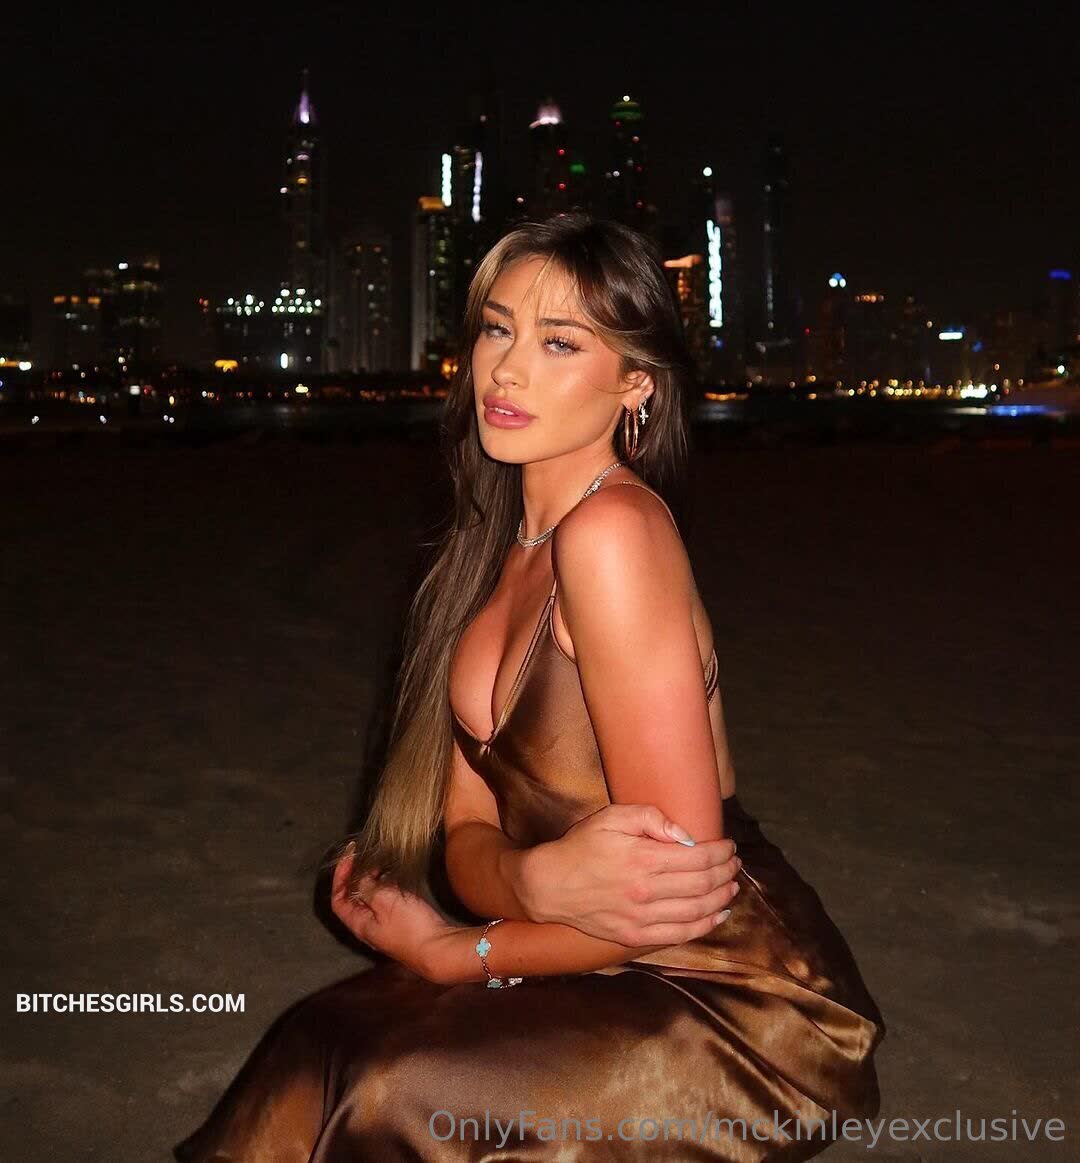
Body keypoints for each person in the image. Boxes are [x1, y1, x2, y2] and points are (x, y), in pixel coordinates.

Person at [174, 213, 885, 1161]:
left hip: (732, 997)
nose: (506, 370)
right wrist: (530, 880)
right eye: (497, 329)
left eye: (559, 343)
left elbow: (673, 899)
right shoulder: (490, 555)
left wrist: (452, 950)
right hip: (586, 946)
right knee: (315, 1041)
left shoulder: (614, 535)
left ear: (636, 381)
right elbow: (466, 833)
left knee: (383, 1088)